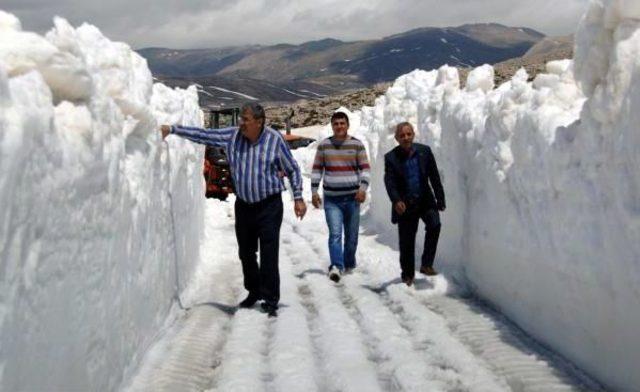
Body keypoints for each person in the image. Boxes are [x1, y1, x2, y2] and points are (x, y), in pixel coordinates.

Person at [161, 102, 307, 317]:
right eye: (241, 119)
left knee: (268, 253)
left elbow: (292, 169)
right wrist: (172, 129)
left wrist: (298, 198)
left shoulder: (274, 140)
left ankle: (270, 298)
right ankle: (254, 290)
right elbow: (204, 135)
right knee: (246, 252)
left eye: (246, 120)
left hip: (269, 206)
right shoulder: (233, 136)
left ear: (259, 122)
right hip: (244, 206)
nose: (241, 123)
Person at [383, 122, 445, 286]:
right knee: (407, 241)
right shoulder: (391, 158)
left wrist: (440, 198)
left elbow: (434, 176)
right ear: (396, 138)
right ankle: (408, 275)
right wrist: (396, 200)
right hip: (405, 204)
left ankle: (426, 264)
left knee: (435, 224)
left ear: (413, 134)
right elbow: (390, 182)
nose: (406, 138)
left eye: (408, 134)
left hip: (425, 200)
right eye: (402, 135)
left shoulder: (424, 151)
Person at [311, 112, 370, 282]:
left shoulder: (357, 145)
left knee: (351, 238)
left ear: (347, 125)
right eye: (336, 123)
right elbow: (317, 170)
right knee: (335, 234)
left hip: (352, 199)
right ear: (332, 126)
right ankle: (336, 265)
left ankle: (349, 263)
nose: (339, 126)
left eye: (342, 123)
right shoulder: (324, 146)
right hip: (332, 200)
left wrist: (363, 188)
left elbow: (365, 169)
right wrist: (314, 192)